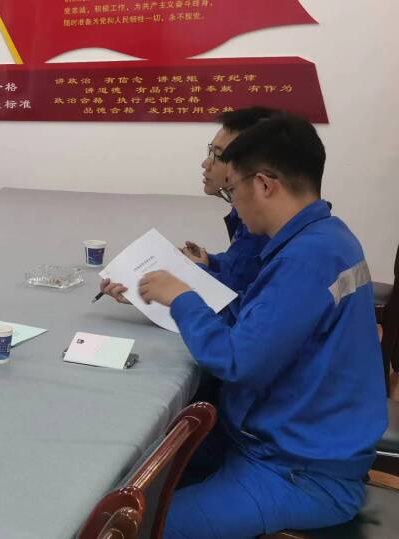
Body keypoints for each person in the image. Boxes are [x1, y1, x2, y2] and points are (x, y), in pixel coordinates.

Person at [127, 115, 386, 537]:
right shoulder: (324, 236)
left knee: (135, 526)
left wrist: (183, 298)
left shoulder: (305, 259)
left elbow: (237, 361)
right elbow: (256, 319)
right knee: (141, 468)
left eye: (233, 190)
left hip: (298, 472)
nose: (234, 203)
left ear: (264, 185)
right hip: (289, 442)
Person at [102, 107, 277, 319]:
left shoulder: (265, 227)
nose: (206, 164)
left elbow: (235, 313)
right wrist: (207, 263)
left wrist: (192, 278)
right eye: (210, 152)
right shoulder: (251, 214)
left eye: (218, 156)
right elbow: (244, 270)